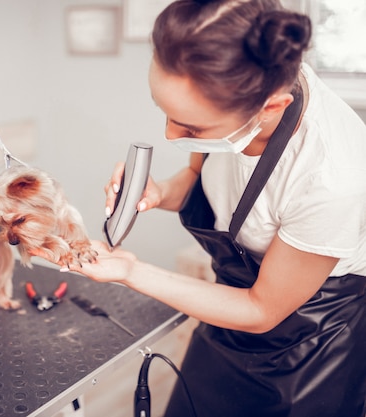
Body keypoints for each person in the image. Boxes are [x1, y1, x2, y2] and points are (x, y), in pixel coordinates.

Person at [33, 0, 366, 416]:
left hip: (308, 344)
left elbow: (261, 309)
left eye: (192, 128)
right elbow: (199, 178)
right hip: (228, 311)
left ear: (271, 108)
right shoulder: (240, 91)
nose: (172, 136)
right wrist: (159, 193)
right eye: (165, 113)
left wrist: (130, 271)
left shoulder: (332, 175)